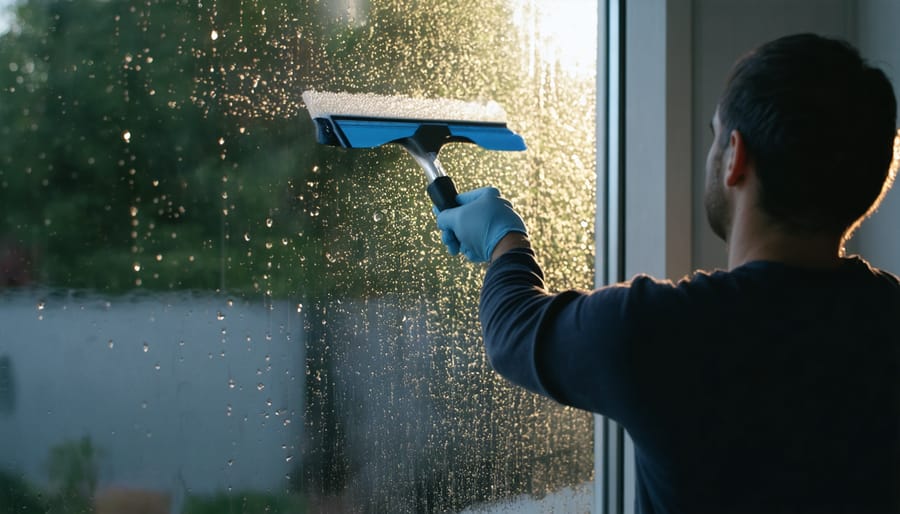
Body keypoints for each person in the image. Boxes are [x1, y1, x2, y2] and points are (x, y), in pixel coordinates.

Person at [435, 34, 899, 514]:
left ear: (735, 158)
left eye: (716, 133)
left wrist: (502, 238)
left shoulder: (668, 331)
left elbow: (514, 331)